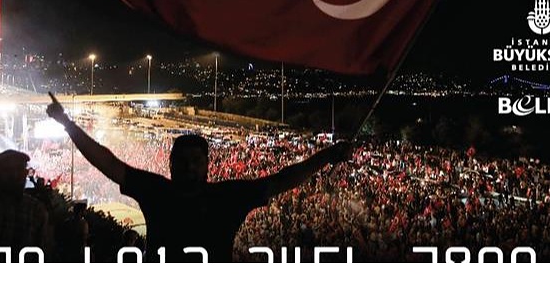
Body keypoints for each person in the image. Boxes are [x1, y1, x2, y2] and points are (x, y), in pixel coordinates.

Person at [47, 92, 351, 262]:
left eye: (195, 161)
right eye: (182, 162)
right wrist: (67, 124)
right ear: (170, 164)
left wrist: (326, 156)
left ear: (207, 165)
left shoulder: (227, 197)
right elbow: (106, 162)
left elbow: (284, 179)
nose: (188, 168)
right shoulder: (158, 192)